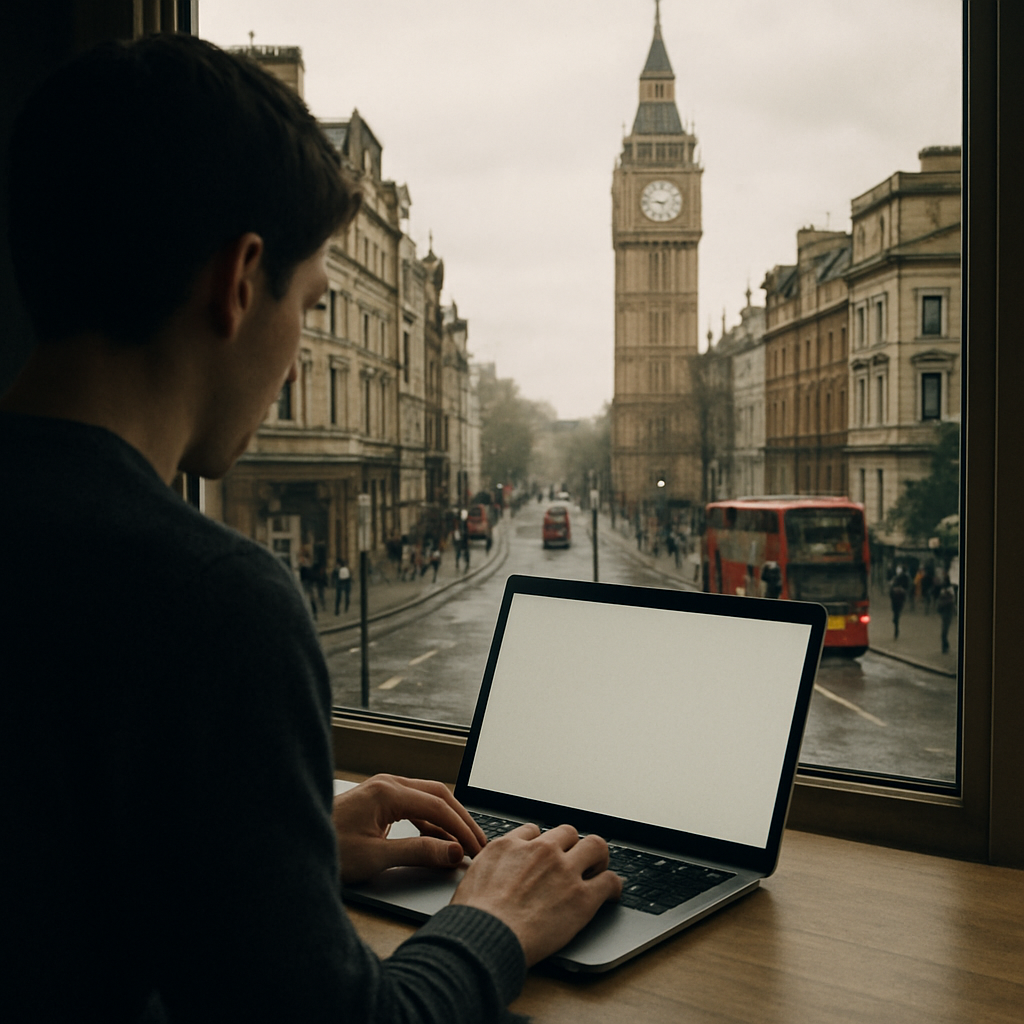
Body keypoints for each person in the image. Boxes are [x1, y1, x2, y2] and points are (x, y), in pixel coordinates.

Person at [0, 35, 620, 1022]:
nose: (295, 361)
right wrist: (493, 919)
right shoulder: (209, 598)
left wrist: (283, 846)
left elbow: (50, 870)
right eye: (312, 300)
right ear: (240, 281)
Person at [936, 574, 956, 654]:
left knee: (944, 632)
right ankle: (945, 646)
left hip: (948, 613)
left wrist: (942, 603)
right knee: (944, 631)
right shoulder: (943, 589)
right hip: (944, 612)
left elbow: (950, 601)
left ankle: (945, 647)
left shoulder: (949, 590)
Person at [889, 565, 910, 639]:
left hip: (897, 599)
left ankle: (896, 627)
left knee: (896, 614)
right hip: (898, 599)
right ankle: (896, 625)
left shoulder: (899, 578)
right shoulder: (901, 578)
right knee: (896, 613)